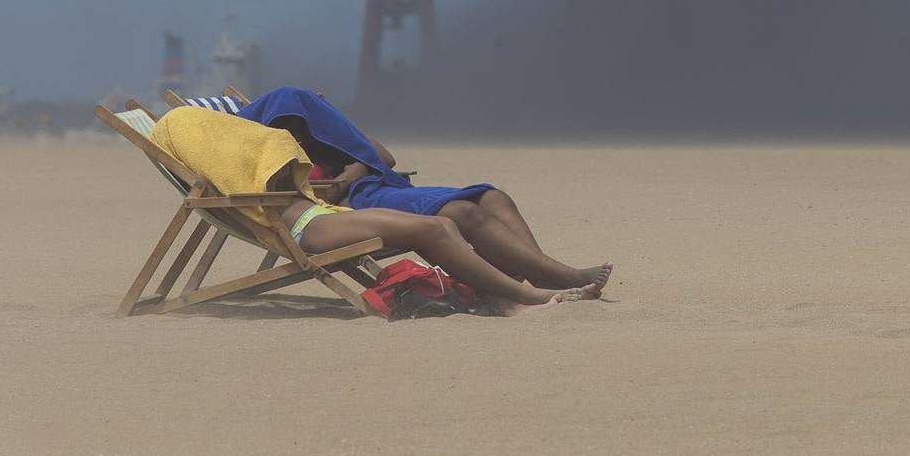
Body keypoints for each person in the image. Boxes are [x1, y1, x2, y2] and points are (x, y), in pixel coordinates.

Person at [149, 105, 602, 311]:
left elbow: (374, 155)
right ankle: (528, 295)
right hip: (308, 223)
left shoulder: (257, 153)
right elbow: (268, 180)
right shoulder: (240, 161)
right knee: (440, 228)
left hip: (321, 217)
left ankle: (517, 292)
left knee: (442, 225)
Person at [238, 87, 613, 293]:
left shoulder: (323, 139)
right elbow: (314, 195)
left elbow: (383, 156)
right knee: (460, 212)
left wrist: (342, 138)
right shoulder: (276, 154)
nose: (301, 128)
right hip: (355, 207)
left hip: (373, 188)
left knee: (492, 196)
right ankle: (559, 276)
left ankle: (542, 272)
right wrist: (344, 180)